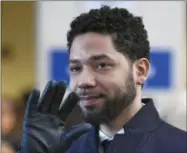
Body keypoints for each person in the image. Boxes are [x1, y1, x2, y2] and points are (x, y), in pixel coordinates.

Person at [18, 6, 186, 153]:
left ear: (140, 71)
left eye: (102, 65)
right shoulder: (65, 149)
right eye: (76, 68)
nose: (84, 81)